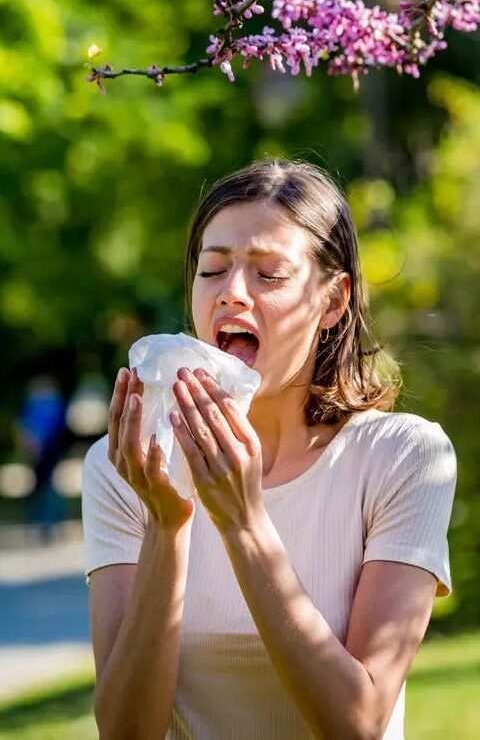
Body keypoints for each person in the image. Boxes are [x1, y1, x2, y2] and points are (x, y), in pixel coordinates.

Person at [82, 159, 456, 739]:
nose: (232, 293)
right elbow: (126, 732)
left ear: (333, 303)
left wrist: (243, 521)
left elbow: (357, 725)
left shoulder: (403, 459)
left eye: (269, 275)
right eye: (213, 270)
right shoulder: (126, 469)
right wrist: (167, 523)